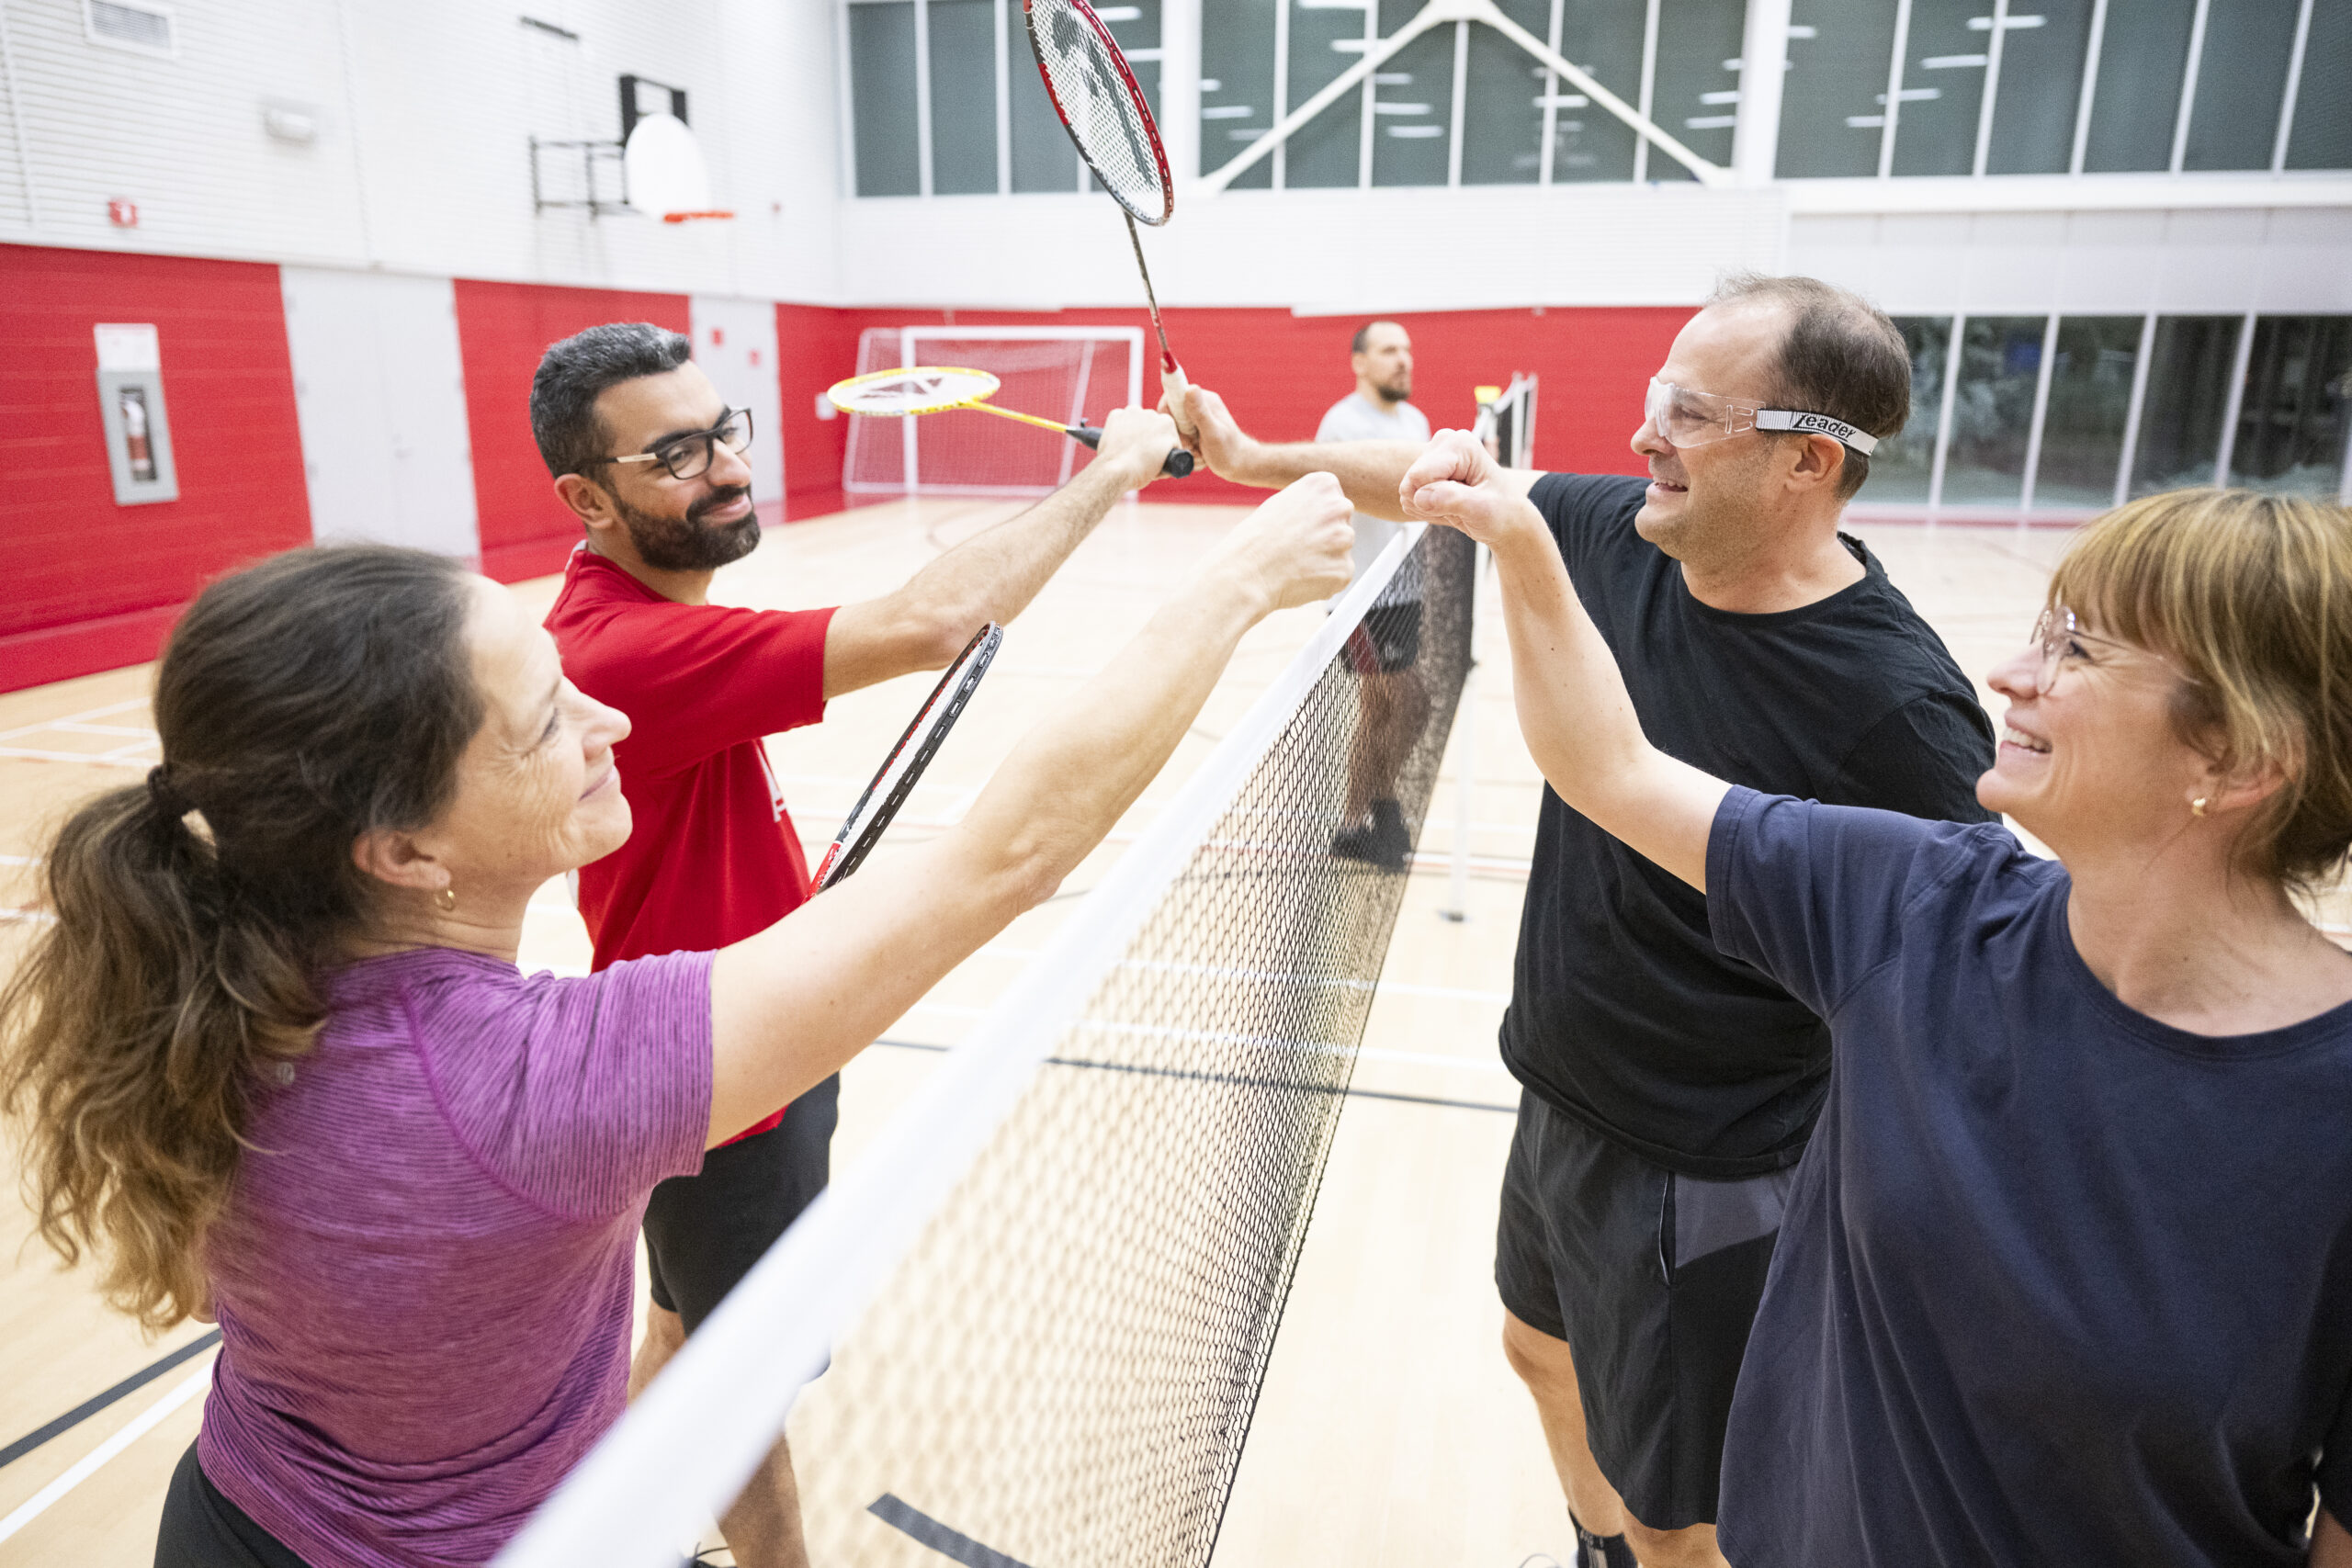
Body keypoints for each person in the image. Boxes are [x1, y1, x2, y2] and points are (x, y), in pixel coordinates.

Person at [0, 481, 1352, 1568]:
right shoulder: (538, 1087)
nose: (610, 719)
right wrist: (1241, 579)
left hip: (230, 1519)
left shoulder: (217, 978)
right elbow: (1005, 854)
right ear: (404, 850)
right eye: (546, 722)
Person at [1167, 275, 1996, 1568]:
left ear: (1809, 460)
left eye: (1691, 413)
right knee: (1537, 1349)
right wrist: (1252, 455)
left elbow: (1976, 985)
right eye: (1659, 397)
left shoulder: (1899, 711)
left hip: (1708, 1161)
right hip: (1562, 1084)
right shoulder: (1628, 533)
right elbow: (1442, 484)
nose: (1645, 433)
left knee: (1681, 1516)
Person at [1401, 437, 2352, 1563]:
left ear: (2238, 758)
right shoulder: (1909, 905)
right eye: (2047, 630)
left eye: (2081, 650)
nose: (2013, 674)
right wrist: (1518, 537)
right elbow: (1609, 768)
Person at [528, 323, 1184, 1567]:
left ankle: (601, 1527)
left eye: (722, 432)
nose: (727, 467)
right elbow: (937, 618)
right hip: (722, 1093)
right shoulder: (620, 653)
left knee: (686, 1329)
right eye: (676, 454)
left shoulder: (650, 615)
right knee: (737, 1394)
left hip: (759, 1041)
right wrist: (1113, 471)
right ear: (587, 499)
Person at [1318, 320, 1433, 869]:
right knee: (1411, 704)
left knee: (1378, 713)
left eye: (1406, 350)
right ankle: (1383, 808)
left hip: (1407, 590)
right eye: (1389, 351)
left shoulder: (1415, 421)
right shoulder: (1341, 426)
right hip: (1361, 600)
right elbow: (1367, 497)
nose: (1403, 360)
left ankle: (1351, 825)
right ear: (1360, 363)